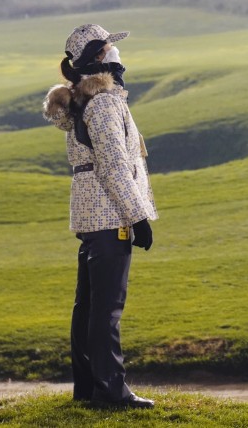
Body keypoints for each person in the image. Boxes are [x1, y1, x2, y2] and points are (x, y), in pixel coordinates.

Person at [43, 24, 158, 410]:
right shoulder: (105, 103)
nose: (117, 53)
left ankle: (90, 388)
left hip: (92, 217)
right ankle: (111, 392)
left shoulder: (84, 102)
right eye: (110, 47)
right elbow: (113, 164)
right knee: (106, 309)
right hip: (111, 217)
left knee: (89, 307)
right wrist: (137, 216)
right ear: (98, 57)